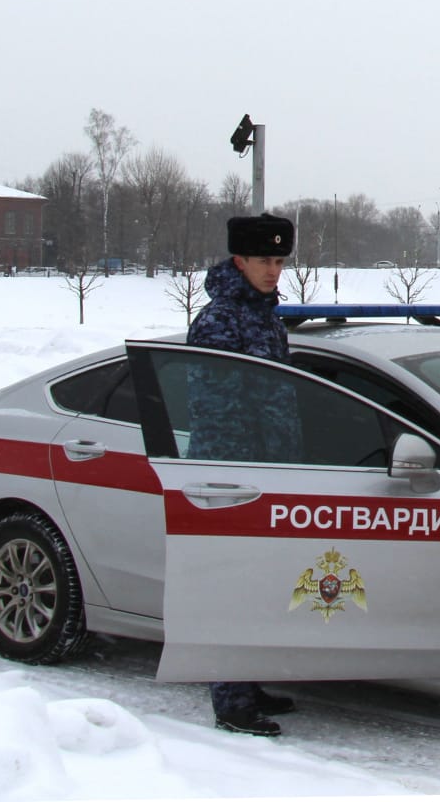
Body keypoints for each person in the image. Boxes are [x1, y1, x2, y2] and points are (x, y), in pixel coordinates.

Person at [187, 213, 299, 738]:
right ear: (239, 261)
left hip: (267, 471)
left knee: (258, 585)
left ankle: (248, 683)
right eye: (263, 260)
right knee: (230, 586)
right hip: (231, 476)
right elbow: (215, 406)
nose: (273, 270)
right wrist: (244, 471)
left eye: (279, 261)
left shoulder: (266, 317)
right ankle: (231, 701)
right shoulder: (220, 321)